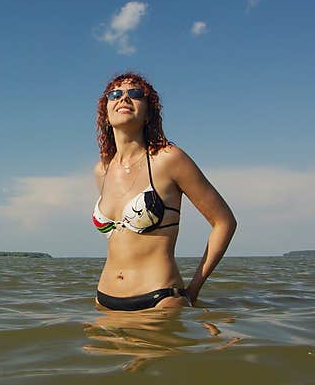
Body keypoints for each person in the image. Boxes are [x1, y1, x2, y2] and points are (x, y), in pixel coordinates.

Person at [92, 72, 236, 311]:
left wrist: (193, 289)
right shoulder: (102, 171)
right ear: (105, 113)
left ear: (148, 113)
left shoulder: (169, 159)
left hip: (158, 301)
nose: (124, 98)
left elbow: (224, 222)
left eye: (135, 94)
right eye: (115, 94)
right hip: (105, 303)